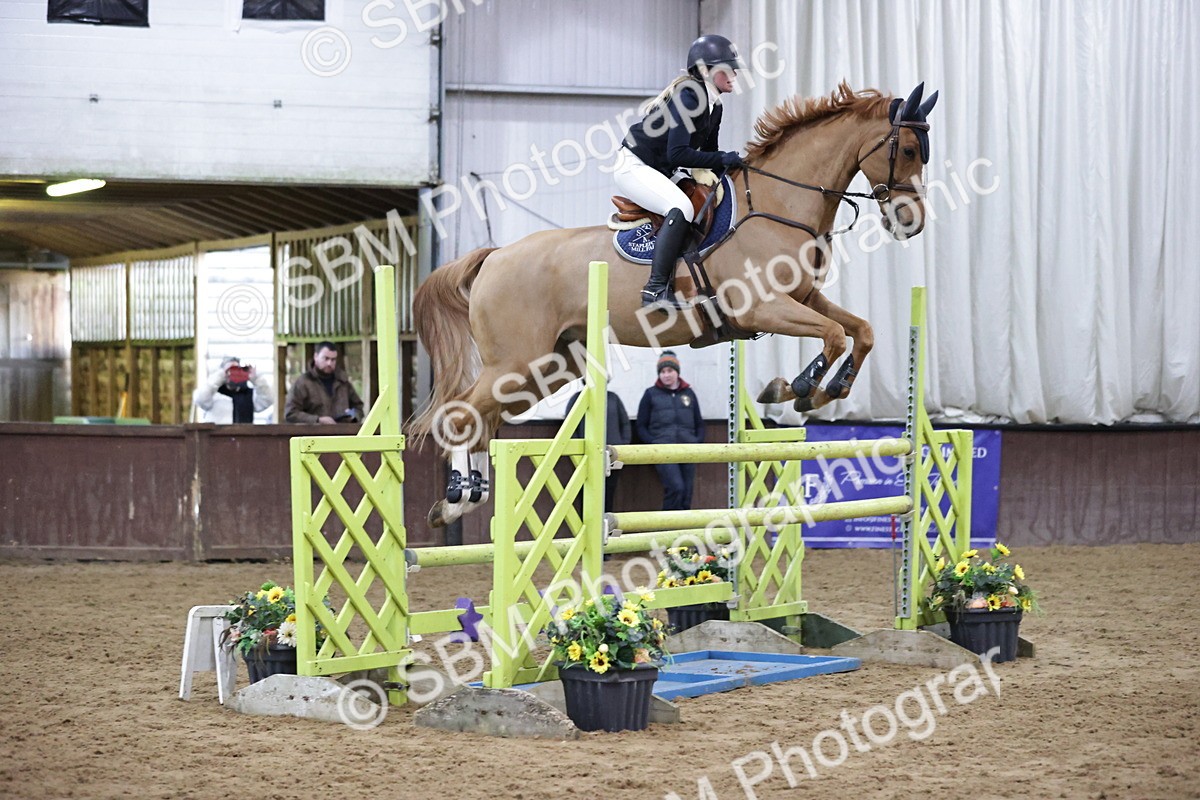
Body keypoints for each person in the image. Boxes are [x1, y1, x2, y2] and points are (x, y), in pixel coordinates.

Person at [617, 34, 746, 311]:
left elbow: (710, 152)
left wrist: (738, 163)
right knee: (682, 207)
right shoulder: (689, 97)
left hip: (661, 168)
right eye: (727, 67)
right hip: (635, 165)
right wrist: (723, 158)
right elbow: (679, 153)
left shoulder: (715, 106)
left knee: (704, 200)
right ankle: (654, 289)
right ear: (705, 71)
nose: (735, 73)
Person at [636, 351, 704, 510]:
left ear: (677, 372)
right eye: (662, 372)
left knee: (687, 492)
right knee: (676, 488)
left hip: (688, 449)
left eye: (670, 371)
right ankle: (667, 529)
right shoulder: (650, 394)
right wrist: (654, 443)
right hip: (664, 449)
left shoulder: (689, 394)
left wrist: (697, 441)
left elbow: (699, 423)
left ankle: (683, 530)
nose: (666, 375)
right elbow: (641, 426)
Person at [564, 389, 632, 513]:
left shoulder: (613, 398)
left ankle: (605, 527)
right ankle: (586, 527)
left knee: (609, 492)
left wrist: (622, 445)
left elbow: (625, 424)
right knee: (587, 492)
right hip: (587, 456)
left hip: (612, 456)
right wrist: (578, 451)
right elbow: (569, 427)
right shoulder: (577, 398)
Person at [284, 341, 365, 424]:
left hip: (341, 433)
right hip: (313, 434)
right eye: (326, 358)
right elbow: (290, 413)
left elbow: (358, 407)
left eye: (333, 360)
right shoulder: (303, 383)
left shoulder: (343, 382)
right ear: (316, 357)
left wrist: (353, 416)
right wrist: (317, 420)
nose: (329, 363)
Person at [192, 356, 273, 424]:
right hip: (217, 440)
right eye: (230, 370)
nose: (233, 373)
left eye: (237, 370)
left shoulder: (248, 394)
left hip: (243, 440)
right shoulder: (214, 394)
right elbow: (200, 399)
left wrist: (256, 378)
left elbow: (268, 400)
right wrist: (221, 374)